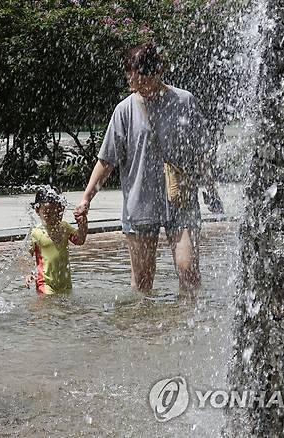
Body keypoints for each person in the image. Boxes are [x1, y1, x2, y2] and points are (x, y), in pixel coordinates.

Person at [74, 41, 223, 294]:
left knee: (188, 269)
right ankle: (143, 331)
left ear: (158, 72)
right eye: (131, 80)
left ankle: (187, 323)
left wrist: (210, 189)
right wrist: (87, 197)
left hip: (180, 199)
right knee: (143, 280)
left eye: (141, 79)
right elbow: (107, 159)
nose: (136, 86)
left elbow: (200, 153)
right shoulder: (124, 110)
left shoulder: (184, 102)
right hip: (140, 202)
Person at [26, 186, 88, 295]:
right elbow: (25, 257)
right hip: (45, 283)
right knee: (48, 308)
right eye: (48, 214)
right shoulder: (35, 233)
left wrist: (83, 223)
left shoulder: (65, 228)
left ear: (61, 209)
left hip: (65, 282)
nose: (53, 217)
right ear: (37, 210)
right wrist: (27, 273)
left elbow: (80, 240)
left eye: (56, 212)